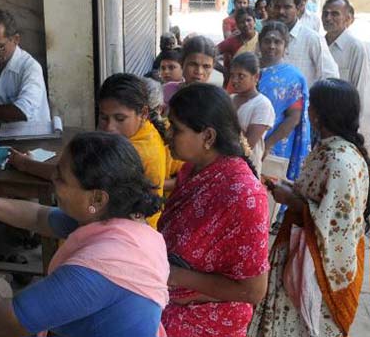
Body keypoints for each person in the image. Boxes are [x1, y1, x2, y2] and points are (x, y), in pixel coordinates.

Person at [0, 132, 170, 337]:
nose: (53, 180)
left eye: (61, 178)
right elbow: (40, 217)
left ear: (97, 198)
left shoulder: (104, 266)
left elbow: (5, 321)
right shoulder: (120, 222)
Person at [249, 78, 369, 337]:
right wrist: (291, 188)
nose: (308, 110)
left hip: (318, 267)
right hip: (301, 250)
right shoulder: (332, 150)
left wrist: (291, 199)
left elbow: (336, 224)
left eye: (311, 105)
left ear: (319, 113)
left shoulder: (339, 160)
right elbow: (322, 199)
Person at [158, 83, 269, 337]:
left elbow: (253, 291)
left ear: (208, 137)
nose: (168, 135)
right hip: (170, 292)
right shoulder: (192, 169)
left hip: (204, 317)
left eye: (176, 129)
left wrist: (177, 277)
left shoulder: (243, 194)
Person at [10, 73, 175, 228]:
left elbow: (68, 174)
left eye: (120, 119)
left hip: (119, 231)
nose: (109, 127)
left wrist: (24, 164)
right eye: (104, 117)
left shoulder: (138, 150)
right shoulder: (145, 130)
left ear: (144, 113)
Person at [0, 10, 50, 123]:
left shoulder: (30, 68)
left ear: (16, 39)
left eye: (0, 46)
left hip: (30, 135)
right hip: (4, 133)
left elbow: (23, 110)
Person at [258, 21, 311, 181]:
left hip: (276, 144)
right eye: (267, 41)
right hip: (245, 140)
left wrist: (267, 145)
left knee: (270, 193)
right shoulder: (246, 69)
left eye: (277, 42)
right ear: (260, 43)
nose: (272, 46)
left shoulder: (293, 77)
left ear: (285, 46)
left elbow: (294, 117)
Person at [271, 0, 339, 85]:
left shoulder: (312, 39)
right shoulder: (267, 37)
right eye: (277, 7)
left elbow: (330, 76)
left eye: (287, 7)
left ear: (298, 9)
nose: (281, 11)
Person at [229, 52, 275, 174]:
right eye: (232, 75)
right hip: (225, 163)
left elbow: (247, 147)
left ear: (256, 77)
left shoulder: (262, 105)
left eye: (241, 76)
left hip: (246, 169)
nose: (234, 80)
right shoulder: (230, 99)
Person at [322, 0, 369, 100]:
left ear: (347, 19)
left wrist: (355, 116)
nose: (328, 18)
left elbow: (359, 89)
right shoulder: (318, 43)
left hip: (342, 112)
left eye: (335, 14)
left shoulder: (355, 47)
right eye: (325, 13)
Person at [163, 35, 217, 109]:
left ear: (212, 67)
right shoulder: (167, 91)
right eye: (193, 64)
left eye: (206, 66)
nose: (199, 71)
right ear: (182, 63)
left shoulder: (215, 100)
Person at [217, 7, 259, 88]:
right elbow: (210, 54)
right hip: (235, 85)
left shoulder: (262, 39)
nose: (246, 24)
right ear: (237, 25)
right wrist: (225, 71)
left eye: (248, 20)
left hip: (257, 85)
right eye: (241, 22)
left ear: (255, 21)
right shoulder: (232, 42)